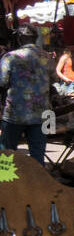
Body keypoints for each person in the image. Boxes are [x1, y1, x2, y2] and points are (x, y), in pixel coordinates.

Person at [0, 26, 52, 164]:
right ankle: (38, 183)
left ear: (19, 38)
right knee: (38, 155)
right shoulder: (47, 56)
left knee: (7, 154)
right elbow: (51, 78)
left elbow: (2, 82)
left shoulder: (10, 57)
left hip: (16, 112)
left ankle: (6, 182)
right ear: (35, 38)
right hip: (43, 112)